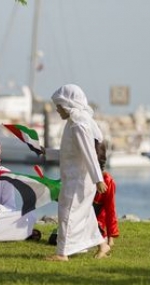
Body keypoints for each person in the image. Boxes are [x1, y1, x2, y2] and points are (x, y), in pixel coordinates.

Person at [45, 84, 111, 261]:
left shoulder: (78, 123)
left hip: (80, 179)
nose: (57, 109)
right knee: (84, 213)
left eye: (59, 105)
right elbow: (68, 152)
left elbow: (89, 152)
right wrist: (46, 152)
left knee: (68, 211)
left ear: (68, 104)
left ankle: (62, 253)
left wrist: (98, 179)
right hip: (76, 177)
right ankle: (102, 245)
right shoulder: (74, 121)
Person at [93, 140, 120, 247]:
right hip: (81, 220)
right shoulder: (83, 177)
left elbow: (110, 210)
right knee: (54, 239)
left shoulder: (108, 181)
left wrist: (110, 237)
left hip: (97, 224)